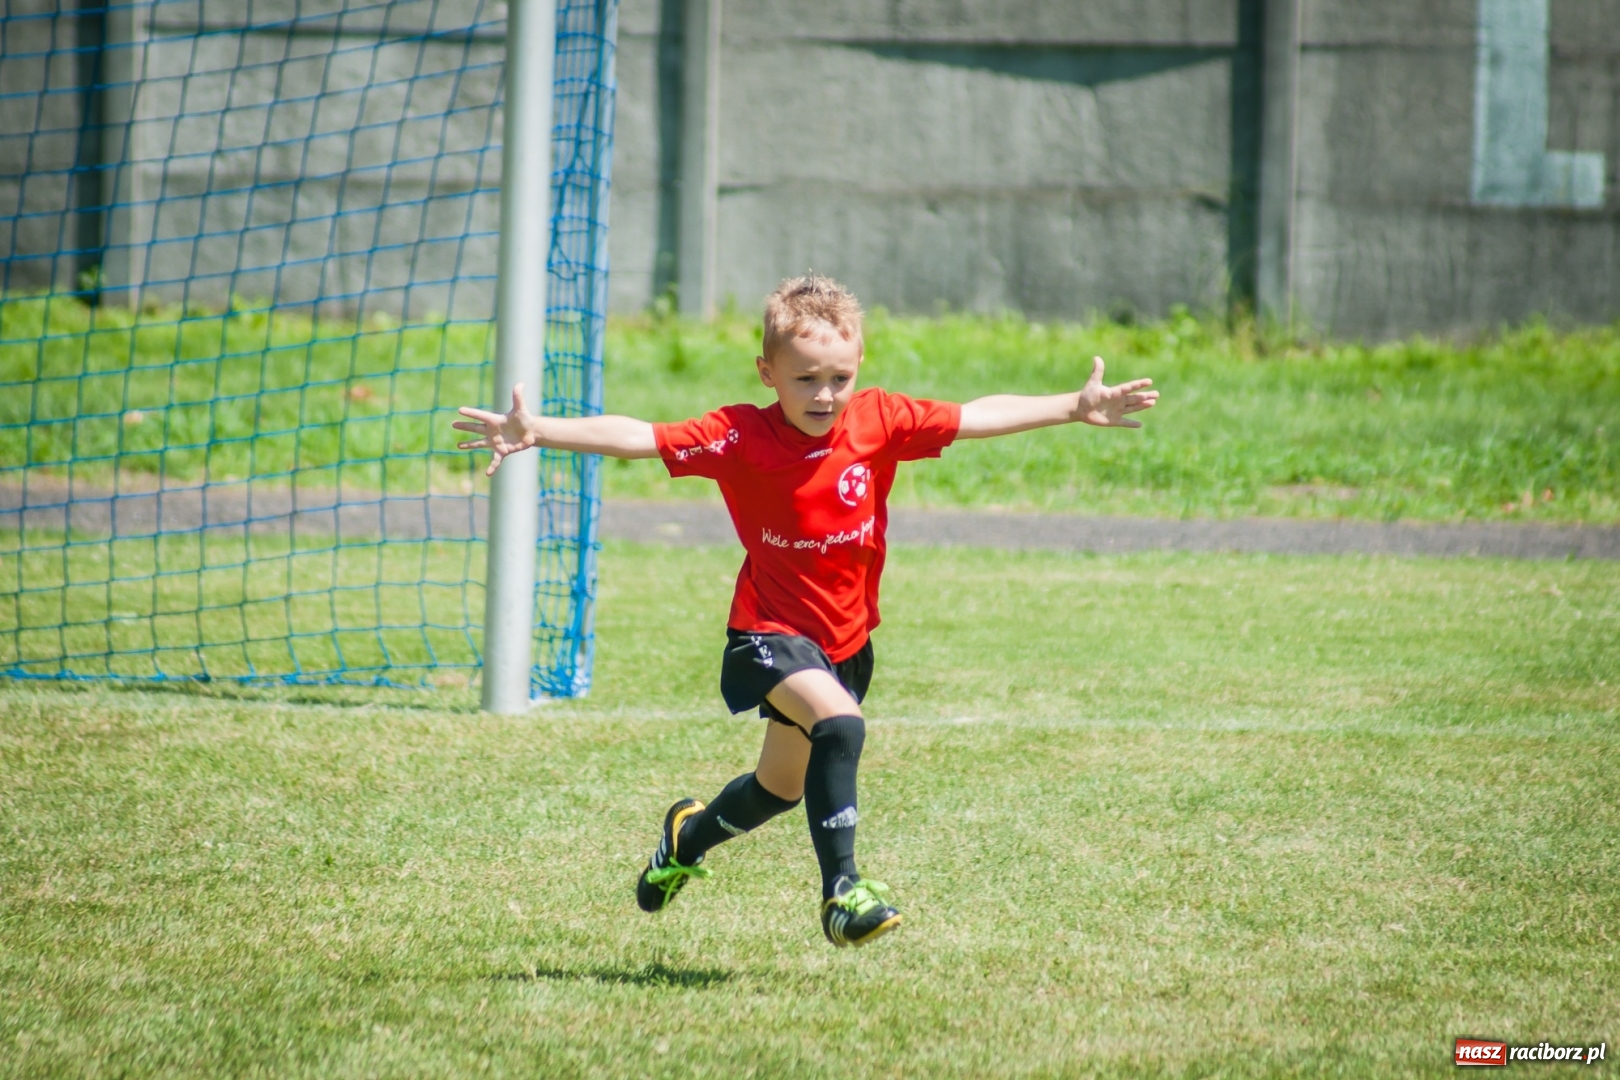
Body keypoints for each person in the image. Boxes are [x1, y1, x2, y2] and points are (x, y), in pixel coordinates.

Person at [454, 275, 1158, 948]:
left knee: (778, 790)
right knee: (843, 725)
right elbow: (642, 435)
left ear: (858, 367)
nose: (824, 395)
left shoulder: (879, 420)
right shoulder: (739, 436)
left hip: (844, 643)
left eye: (839, 378)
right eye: (805, 379)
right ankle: (842, 894)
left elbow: (975, 415)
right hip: (767, 634)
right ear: (767, 372)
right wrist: (541, 430)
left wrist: (1073, 405)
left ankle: (686, 839)